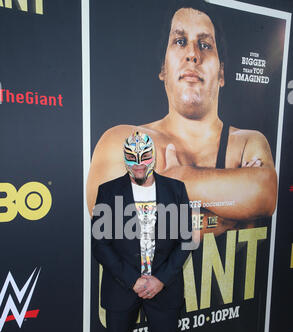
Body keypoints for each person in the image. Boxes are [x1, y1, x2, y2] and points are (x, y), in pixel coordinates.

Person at [86, 0, 277, 241]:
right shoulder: (125, 139)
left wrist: (178, 178)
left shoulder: (248, 142)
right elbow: (111, 222)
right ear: (163, 69)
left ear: (221, 74)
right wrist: (230, 217)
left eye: (205, 45)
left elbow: (264, 194)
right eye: (180, 41)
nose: (193, 54)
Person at [91, 131, 193, 332]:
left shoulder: (176, 189)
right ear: (124, 158)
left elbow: (186, 240)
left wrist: (160, 279)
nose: (138, 167)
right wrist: (133, 279)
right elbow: (100, 244)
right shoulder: (108, 191)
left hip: (165, 286)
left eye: (144, 159)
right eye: (132, 160)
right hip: (123, 287)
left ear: (155, 157)